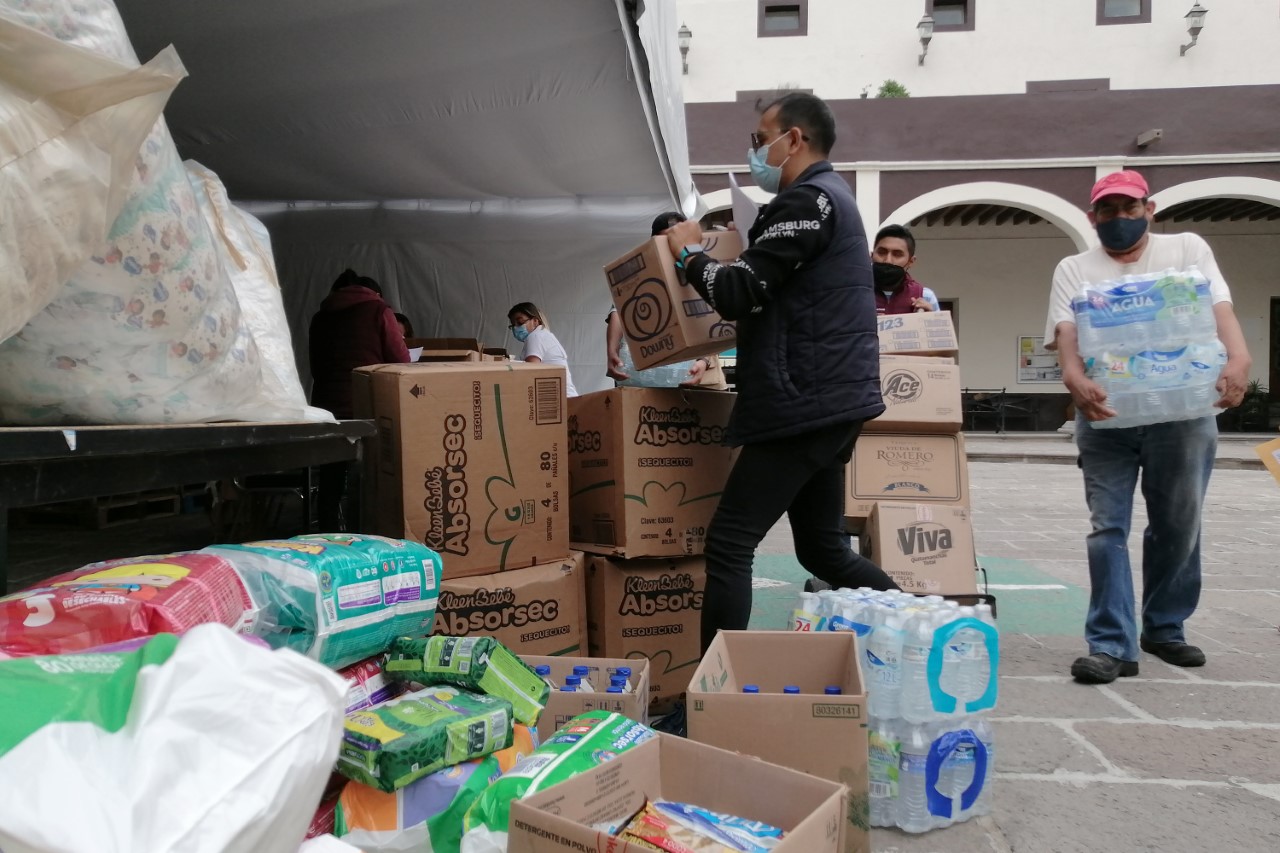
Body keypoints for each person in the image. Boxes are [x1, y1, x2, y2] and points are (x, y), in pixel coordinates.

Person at [664, 92, 899, 653]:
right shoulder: (826, 200)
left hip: (805, 400)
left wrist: (690, 254)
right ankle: (921, 629)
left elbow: (739, 291)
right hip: (827, 398)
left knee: (729, 542)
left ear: (793, 139)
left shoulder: (808, 201)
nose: (754, 151)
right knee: (823, 551)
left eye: (759, 138)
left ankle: (709, 697)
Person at [1043, 169, 1251, 685]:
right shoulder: (1074, 267)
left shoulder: (1187, 249)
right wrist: (1072, 379)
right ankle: (1111, 644)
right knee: (1106, 527)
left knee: (1178, 524)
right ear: (1094, 218)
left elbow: (1218, 306)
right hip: (1106, 415)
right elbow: (1066, 334)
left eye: (1129, 209)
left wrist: (1240, 357)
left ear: (1149, 210)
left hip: (1182, 414)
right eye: (1108, 211)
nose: (1119, 219)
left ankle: (1164, 627)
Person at [605, 212, 727, 390]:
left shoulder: (701, 269)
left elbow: (713, 320)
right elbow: (620, 311)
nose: (671, 246)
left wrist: (704, 360)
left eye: (676, 238)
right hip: (638, 378)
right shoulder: (641, 272)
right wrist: (612, 350)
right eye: (665, 240)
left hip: (686, 377)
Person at [309, 269, 410, 419]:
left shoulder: (319, 318)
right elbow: (402, 360)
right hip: (365, 406)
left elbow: (316, 368)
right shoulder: (378, 310)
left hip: (324, 407)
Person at [508, 302, 578, 396]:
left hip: (561, 401)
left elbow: (530, 371)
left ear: (535, 321)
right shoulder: (543, 334)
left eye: (520, 322)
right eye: (513, 325)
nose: (516, 328)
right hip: (564, 398)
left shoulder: (535, 337)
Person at [871, 224, 936, 314]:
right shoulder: (852, 293)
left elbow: (941, 327)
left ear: (911, 261)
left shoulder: (926, 296)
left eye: (897, 254)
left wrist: (931, 320)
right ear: (871, 255)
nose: (888, 260)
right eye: (882, 252)